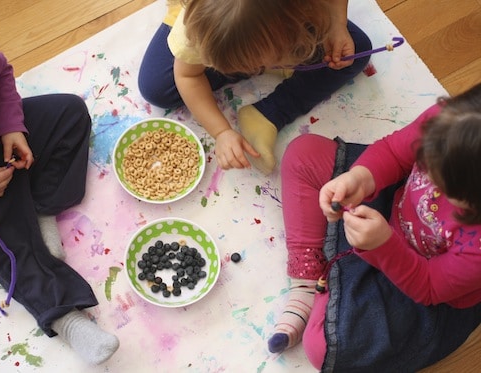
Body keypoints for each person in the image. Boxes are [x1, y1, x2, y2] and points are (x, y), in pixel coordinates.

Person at [0, 0, 119, 365]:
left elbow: (1, 76)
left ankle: (41, 207)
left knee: (71, 113)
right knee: (8, 246)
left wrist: (11, 125)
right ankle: (68, 320)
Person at [271, 82, 481, 371]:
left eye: (445, 186)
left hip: (426, 284)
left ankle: (334, 292)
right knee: (303, 154)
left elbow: (429, 286)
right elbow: (395, 153)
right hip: (392, 211)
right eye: (427, 164)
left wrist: (383, 246)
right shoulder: (452, 123)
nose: (428, 178)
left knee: (324, 348)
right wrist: (360, 177)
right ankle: (307, 282)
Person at [138, 0, 372, 175]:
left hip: (284, 14)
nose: (255, 70)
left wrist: (337, 25)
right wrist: (221, 132)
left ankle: (268, 113)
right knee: (156, 88)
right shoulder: (196, 28)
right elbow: (187, 76)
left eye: (262, 62)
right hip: (213, 18)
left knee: (357, 48)